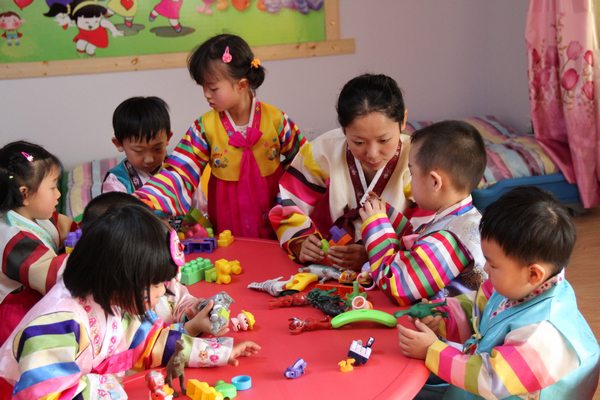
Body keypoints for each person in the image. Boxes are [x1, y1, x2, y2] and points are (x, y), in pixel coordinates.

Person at [0, 204, 261, 399]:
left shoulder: (112, 301)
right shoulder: (57, 324)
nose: (162, 293)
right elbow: (45, 393)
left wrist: (219, 353)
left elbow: (151, 344)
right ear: (120, 278)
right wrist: (109, 388)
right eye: (156, 284)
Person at [398, 186, 600, 399]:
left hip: (494, 385)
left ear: (534, 274)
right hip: (483, 375)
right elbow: (480, 308)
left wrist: (432, 351)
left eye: (493, 265)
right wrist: (443, 318)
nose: (485, 269)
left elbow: (491, 380)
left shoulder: (542, 335)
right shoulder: (518, 284)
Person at [135, 34, 306, 239]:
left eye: (213, 88)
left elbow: (305, 162)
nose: (206, 94)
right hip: (228, 216)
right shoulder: (204, 127)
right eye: (203, 87)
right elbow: (180, 170)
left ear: (242, 85)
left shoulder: (276, 120)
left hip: (273, 212)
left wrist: (288, 196)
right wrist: (148, 199)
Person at [269, 73, 414, 271]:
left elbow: (432, 228)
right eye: (359, 142)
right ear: (344, 130)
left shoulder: (417, 158)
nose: (372, 154)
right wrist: (301, 241)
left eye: (384, 140)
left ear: (403, 120)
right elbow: (289, 201)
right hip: (333, 262)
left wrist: (373, 253)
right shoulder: (323, 151)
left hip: (394, 270)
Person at [359, 120, 487, 305]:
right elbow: (418, 247)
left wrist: (376, 226)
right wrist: (386, 215)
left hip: (449, 321)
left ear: (435, 182)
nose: (411, 181)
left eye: (412, 173)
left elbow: (396, 285)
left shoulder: (450, 240)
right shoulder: (462, 217)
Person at [81, 191, 218, 336]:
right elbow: (149, 343)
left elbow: (177, 300)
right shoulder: (114, 313)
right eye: (156, 284)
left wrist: (192, 310)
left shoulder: (159, 276)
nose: (163, 289)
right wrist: (191, 328)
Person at [0, 140, 74, 345]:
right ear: (24, 194)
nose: (59, 194)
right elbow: (55, 277)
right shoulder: (14, 239)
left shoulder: (39, 215)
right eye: (52, 187)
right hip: (12, 315)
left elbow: (67, 228)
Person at [102, 96, 172, 194]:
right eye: (139, 151)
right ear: (119, 144)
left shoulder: (176, 167)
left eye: (157, 148)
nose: (149, 159)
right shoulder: (116, 182)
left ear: (168, 138)